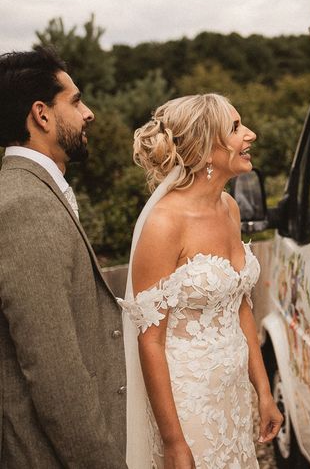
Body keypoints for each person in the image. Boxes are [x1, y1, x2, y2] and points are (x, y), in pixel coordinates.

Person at [120, 94, 283, 467]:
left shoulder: (229, 208)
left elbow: (241, 306)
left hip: (233, 396)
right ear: (207, 149)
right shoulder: (164, 224)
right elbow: (150, 340)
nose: (251, 135)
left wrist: (263, 391)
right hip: (188, 403)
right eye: (236, 128)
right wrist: (174, 442)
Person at [0, 47, 127, 466]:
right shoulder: (24, 204)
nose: (88, 113)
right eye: (75, 101)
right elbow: (54, 370)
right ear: (42, 115)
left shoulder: (36, 190)